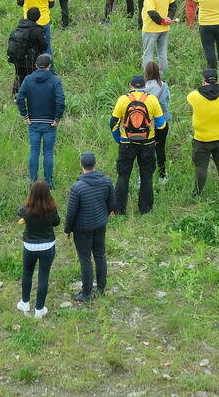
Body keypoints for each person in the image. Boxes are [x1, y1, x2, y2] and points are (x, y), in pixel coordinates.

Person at [110, 74, 165, 214]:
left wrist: (120, 139)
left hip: (127, 142)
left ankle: (119, 210)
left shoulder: (123, 100)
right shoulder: (152, 100)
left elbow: (113, 123)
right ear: (145, 86)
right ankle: (145, 210)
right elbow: (161, 124)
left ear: (130, 86)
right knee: (146, 176)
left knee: (123, 175)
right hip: (148, 143)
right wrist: (154, 139)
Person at [65, 151, 112, 303]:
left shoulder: (77, 187)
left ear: (81, 165)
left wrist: (67, 229)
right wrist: (104, 215)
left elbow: (71, 213)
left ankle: (86, 293)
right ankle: (101, 288)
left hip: (82, 229)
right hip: (100, 224)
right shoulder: (106, 181)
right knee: (100, 255)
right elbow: (113, 204)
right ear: (95, 164)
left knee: (85, 259)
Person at [15, 53, 65, 186]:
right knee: (48, 152)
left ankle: (33, 182)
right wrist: (57, 118)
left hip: (33, 122)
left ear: (36, 65)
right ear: (49, 66)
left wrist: (25, 116)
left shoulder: (28, 79)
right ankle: (48, 182)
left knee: (34, 152)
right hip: (50, 123)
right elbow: (60, 101)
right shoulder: (55, 81)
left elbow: (19, 98)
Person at [16, 180, 59, 319]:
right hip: (47, 246)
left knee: (27, 273)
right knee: (43, 276)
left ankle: (25, 302)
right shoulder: (51, 209)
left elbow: (18, 211)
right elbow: (57, 222)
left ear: (32, 193)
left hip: (30, 246)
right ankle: (39, 309)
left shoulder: (26, 209)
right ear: (48, 193)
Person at [188, 68, 219, 195]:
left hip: (202, 139)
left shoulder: (194, 96)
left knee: (201, 167)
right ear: (217, 80)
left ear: (203, 81)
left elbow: (190, 98)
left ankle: (197, 193)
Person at [140, 0, 176, 73]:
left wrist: (162, 21)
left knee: (147, 54)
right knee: (162, 53)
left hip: (150, 29)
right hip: (164, 29)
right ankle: (164, 74)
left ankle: (149, 76)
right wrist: (168, 18)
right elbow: (173, 5)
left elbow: (151, 12)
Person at [143, 62, 172, 181]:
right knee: (160, 148)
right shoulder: (164, 86)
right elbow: (167, 101)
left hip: (146, 123)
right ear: (158, 72)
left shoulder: (143, 88)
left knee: (145, 150)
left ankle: (144, 176)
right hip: (162, 121)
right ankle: (162, 176)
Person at [8, 7, 48, 93]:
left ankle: (17, 94)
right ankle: (32, 95)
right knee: (32, 78)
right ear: (38, 17)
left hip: (17, 58)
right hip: (31, 60)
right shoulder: (38, 30)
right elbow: (44, 46)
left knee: (19, 75)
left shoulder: (19, 27)